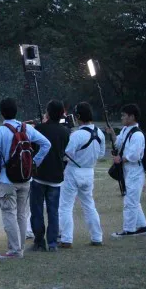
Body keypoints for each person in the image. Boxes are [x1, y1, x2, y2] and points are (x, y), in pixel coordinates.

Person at [0, 97, 51, 259]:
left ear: (1, 113)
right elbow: (46, 144)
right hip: (25, 179)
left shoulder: (1, 130)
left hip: (7, 180)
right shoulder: (26, 127)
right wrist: (34, 163)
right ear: (16, 111)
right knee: (21, 215)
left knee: (9, 214)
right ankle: (19, 248)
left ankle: (14, 251)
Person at [59, 102, 105, 248]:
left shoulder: (77, 135)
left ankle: (66, 239)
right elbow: (102, 154)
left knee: (65, 206)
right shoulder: (100, 133)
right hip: (89, 171)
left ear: (78, 116)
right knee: (89, 205)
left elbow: (66, 155)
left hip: (74, 171)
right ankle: (97, 237)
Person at [30, 100, 70, 252]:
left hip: (39, 175)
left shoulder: (40, 129)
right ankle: (52, 243)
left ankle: (39, 242)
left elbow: (33, 148)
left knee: (37, 211)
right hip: (56, 176)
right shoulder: (65, 132)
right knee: (53, 211)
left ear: (47, 112)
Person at [107, 104, 146, 237]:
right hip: (128, 171)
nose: (122, 118)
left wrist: (121, 159)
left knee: (130, 201)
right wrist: (113, 134)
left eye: (124, 115)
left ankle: (129, 229)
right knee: (133, 199)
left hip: (135, 171)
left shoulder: (137, 135)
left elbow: (135, 155)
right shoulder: (126, 130)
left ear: (132, 117)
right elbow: (118, 143)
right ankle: (143, 227)